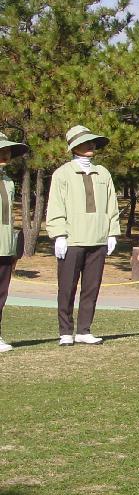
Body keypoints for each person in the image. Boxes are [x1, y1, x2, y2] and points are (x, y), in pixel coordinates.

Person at [45, 125, 120, 346]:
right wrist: (59, 235)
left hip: (98, 239)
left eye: (92, 142)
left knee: (91, 287)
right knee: (67, 288)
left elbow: (112, 205)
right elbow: (56, 206)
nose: (91, 145)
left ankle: (84, 330)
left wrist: (112, 233)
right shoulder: (62, 174)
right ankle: (65, 331)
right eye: (86, 142)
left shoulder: (103, 173)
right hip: (72, 239)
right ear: (74, 147)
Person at [0, 133, 29, 353]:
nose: (6, 154)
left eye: (8, 150)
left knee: (1, 293)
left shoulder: (8, 181)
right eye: (1, 150)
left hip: (4, 246)